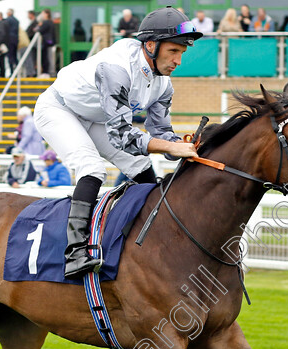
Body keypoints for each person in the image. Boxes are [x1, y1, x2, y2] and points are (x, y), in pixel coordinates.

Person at [33, 6, 201, 278]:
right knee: (92, 168)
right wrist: (171, 147)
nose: (178, 61)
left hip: (96, 117)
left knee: (139, 164)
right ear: (150, 45)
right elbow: (122, 134)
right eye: (173, 51)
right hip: (58, 109)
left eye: (182, 53)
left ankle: (158, 236)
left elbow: (160, 133)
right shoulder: (117, 68)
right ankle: (74, 252)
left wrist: (186, 146)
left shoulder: (164, 84)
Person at [37, 9, 56, 76]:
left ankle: (48, 72)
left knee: (46, 57)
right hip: (50, 42)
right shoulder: (51, 22)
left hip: (47, 42)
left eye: (43, 13)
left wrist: (39, 26)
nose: (42, 15)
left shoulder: (46, 22)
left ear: (47, 14)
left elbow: (39, 30)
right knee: (49, 57)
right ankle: (51, 72)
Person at [23, 12, 39, 77]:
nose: (27, 16)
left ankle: (33, 72)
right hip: (31, 44)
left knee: (33, 58)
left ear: (32, 15)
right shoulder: (32, 22)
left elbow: (32, 32)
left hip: (33, 43)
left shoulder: (35, 23)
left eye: (28, 14)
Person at [6, 9, 20, 74]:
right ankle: (17, 72)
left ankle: (12, 72)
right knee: (15, 56)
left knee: (10, 56)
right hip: (15, 40)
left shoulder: (8, 20)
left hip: (9, 40)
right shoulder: (16, 21)